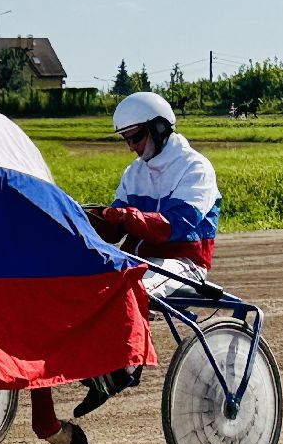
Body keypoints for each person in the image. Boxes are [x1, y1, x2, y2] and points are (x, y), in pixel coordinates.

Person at [78, 90, 221, 416]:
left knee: (132, 286)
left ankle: (126, 368)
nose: (131, 146)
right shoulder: (134, 173)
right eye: (126, 139)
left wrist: (128, 216)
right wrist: (88, 217)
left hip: (183, 263)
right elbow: (115, 232)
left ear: (159, 128)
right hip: (139, 259)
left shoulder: (196, 168)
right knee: (87, 283)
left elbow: (176, 225)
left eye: (136, 136)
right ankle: (100, 364)